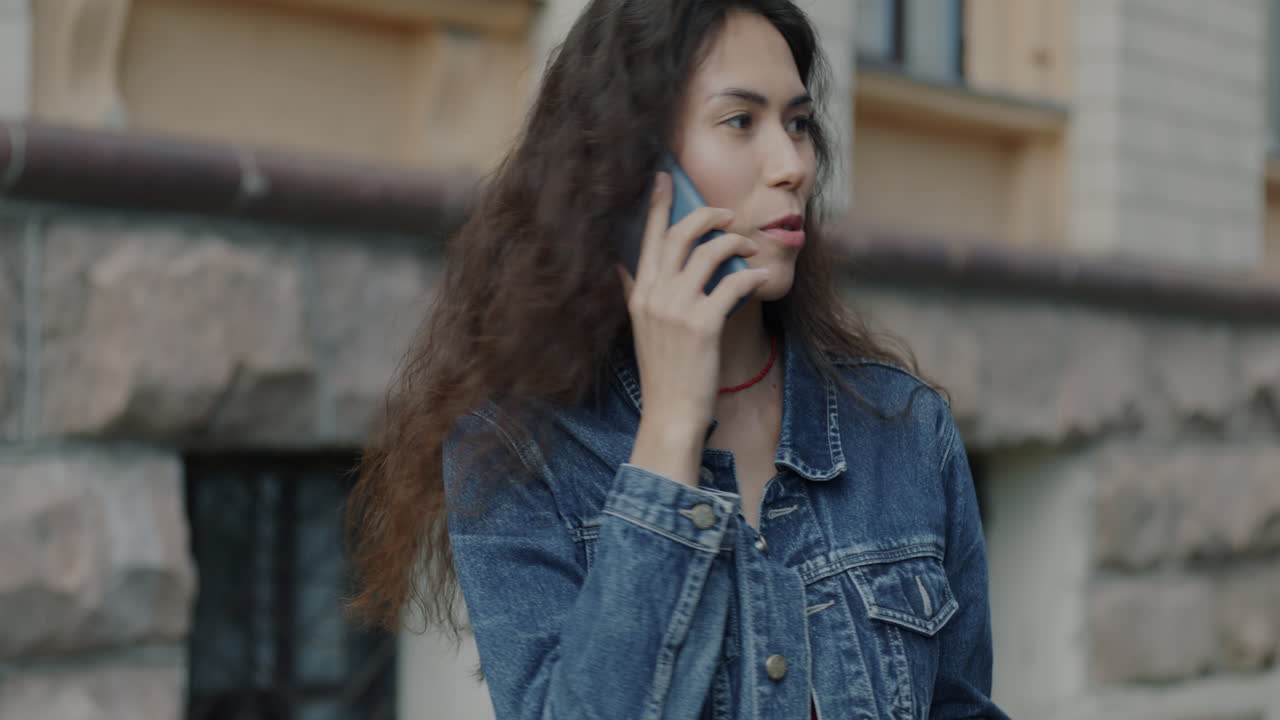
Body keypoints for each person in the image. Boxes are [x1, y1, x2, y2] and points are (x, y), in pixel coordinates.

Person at [347, 0, 1009, 717]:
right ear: (632, 171)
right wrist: (668, 434)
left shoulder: (906, 431)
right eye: (740, 122)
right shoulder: (516, 451)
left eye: (798, 123)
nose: (792, 165)